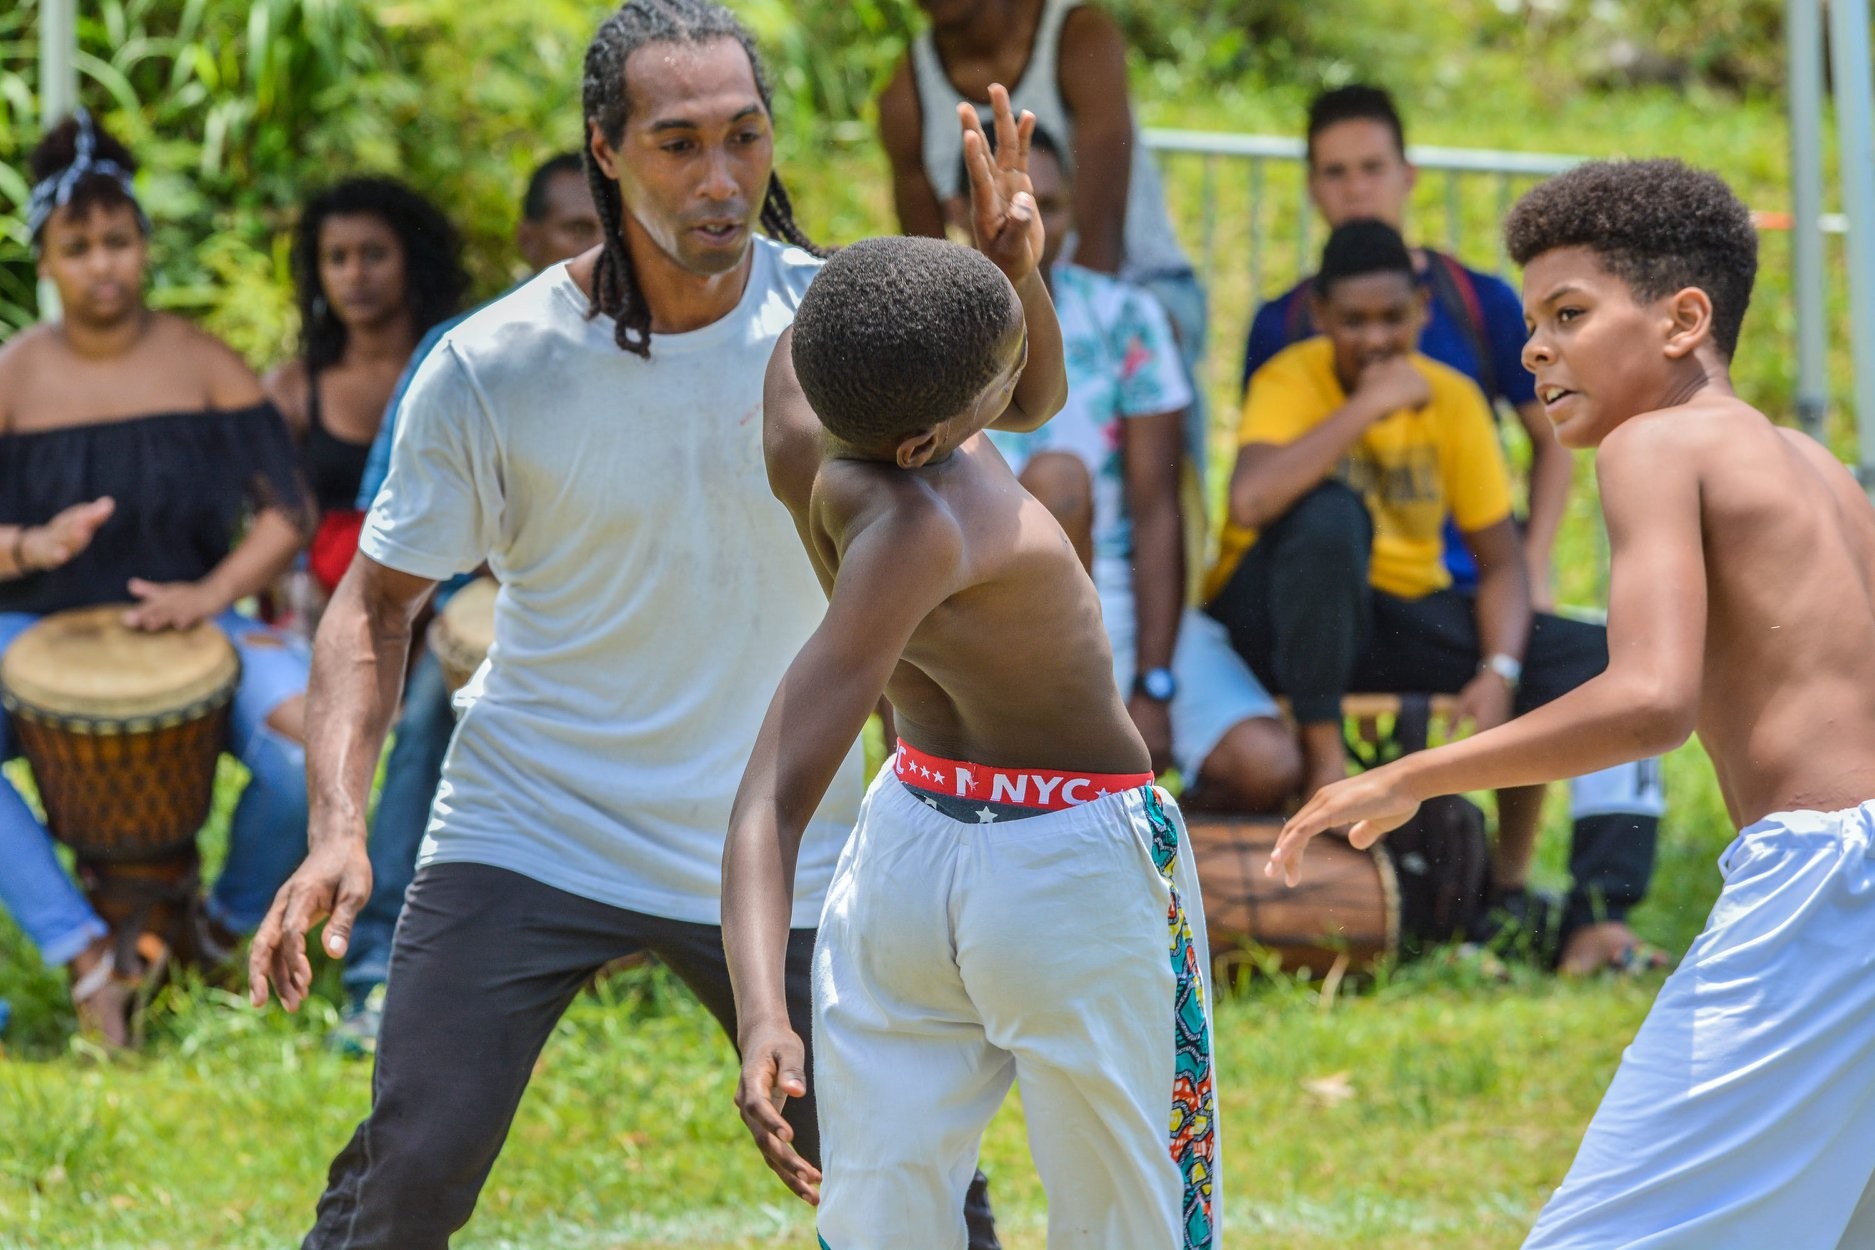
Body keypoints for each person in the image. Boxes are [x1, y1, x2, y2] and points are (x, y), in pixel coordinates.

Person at [247, 4, 998, 1245]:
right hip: (535, 820)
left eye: (746, 138)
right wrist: (337, 829)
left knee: (906, 1188)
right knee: (417, 1162)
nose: (722, 180)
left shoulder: (843, 339)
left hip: (794, 836)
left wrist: (1010, 273)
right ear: (605, 148)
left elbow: (1001, 464)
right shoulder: (496, 364)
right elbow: (375, 606)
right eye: (678, 143)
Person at [1270, 158, 1875, 1250]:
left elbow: (1650, 700)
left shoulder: (1656, 443)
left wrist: (1410, 772)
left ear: (1684, 319)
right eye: (1531, 319)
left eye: (1568, 313)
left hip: (1824, 890)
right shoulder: (1818, 466)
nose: (1534, 346)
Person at [722, 98, 1217, 1249]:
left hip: (909, 842)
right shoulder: (932, 530)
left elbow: (1020, 393)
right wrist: (755, 1009)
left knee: (884, 1208)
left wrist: (1013, 271)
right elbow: (774, 790)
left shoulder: (809, 401)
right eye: (993, 376)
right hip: (1075, 862)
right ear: (930, 440)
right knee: (1135, 1216)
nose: (1028, 392)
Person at [1211, 218, 1660, 972]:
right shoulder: (1289, 378)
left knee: (1600, 659)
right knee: (1328, 516)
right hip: (1280, 625)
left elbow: (1499, 562)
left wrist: (1499, 670)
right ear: (1322, 317)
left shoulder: (1452, 399)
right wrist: (1368, 408)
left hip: (1398, 619)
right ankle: (1324, 759)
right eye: (1353, 321)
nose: (1376, 338)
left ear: (1422, 311)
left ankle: (1574, 909)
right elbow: (1249, 503)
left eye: (1392, 317)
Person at [0, 110, 311, 1045]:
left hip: (192, 622)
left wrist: (209, 596)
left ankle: (220, 928)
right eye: (79, 246)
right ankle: (85, 956)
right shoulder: (12, 377)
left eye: (119, 242)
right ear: (46, 261)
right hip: (32, 626)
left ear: (144, 246)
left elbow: (287, 514)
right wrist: (28, 547)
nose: (103, 265)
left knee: (304, 750)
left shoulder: (205, 365)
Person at [327, 152, 602, 1056]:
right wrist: (477, 572)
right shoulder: (466, 348)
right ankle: (376, 968)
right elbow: (391, 520)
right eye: (573, 227)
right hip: (487, 606)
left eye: (607, 222)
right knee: (423, 722)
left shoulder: (675, 345)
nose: (598, 243)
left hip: (626, 613)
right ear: (529, 240)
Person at [962, 125, 1297, 806]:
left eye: (1046, 208)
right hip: (983, 609)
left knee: (1265, 763)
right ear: (956, 207)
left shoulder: (1125, 317)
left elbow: (1155, 509)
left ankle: (1151, 853)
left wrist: (1153, 681)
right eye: (1005, 208)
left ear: (1072, 212)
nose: (1026, 227)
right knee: (1055, 486)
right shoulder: (932, 321)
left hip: (1119, 598)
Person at [1240, 84, 1570, 604]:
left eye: (1372, 168)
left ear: (1407, 175)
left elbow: (1550, 436)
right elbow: (1262, 471)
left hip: (1462, 582)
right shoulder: (1281, 321)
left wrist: (1532, 565)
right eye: (1335, 173)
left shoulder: (1480, 300)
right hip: (1334, 591)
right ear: (1311, 188)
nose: (1356, 190)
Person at [878, 0, 1210, 483]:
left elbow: (1101, 226)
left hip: (1131, 279)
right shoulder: (905, 95)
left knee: (1151, 365)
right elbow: (928, 266)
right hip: (1003, 292)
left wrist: (1073, 332)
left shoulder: (1080, 37)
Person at [264, 176, 467, 602]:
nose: (354, 275)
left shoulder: (461, 372)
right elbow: (274, 523)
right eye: (337, 258)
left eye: (374, 255)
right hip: (323, 607)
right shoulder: (294, 389)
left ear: (415, 260)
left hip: (445, 603)